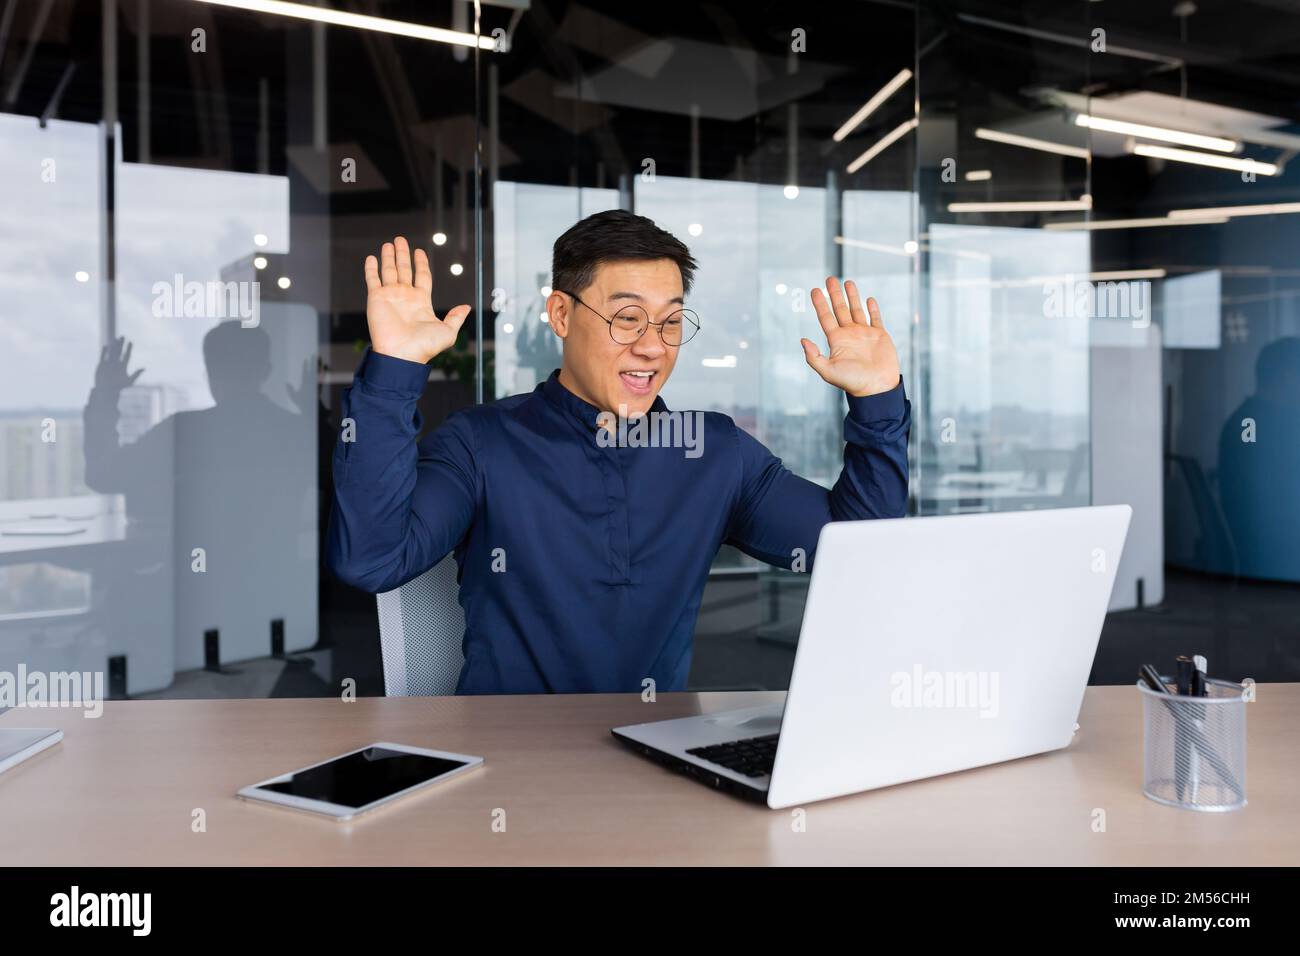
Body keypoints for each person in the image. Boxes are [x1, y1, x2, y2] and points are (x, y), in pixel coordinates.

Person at [327, 210, 910, 693]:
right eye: (628, 319)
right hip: (508, 764)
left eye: (672, 321)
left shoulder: (714, 454)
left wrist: (878, 401)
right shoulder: (482, 443)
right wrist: (395, 371)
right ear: (560, 314)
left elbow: (859, 546)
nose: (653, 346)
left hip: (657, 758)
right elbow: (372, 560)